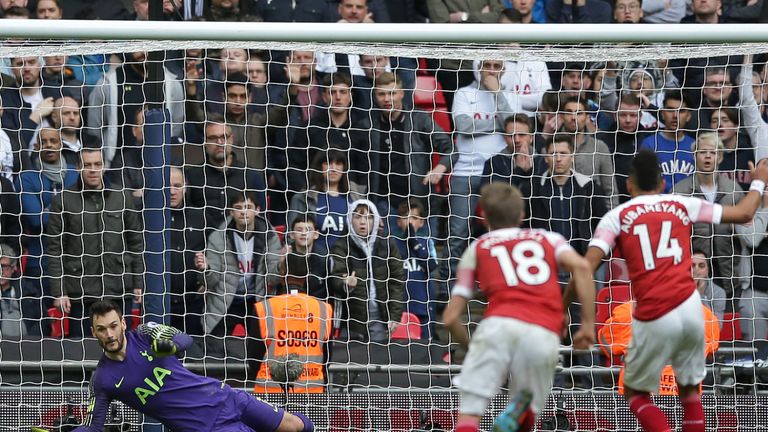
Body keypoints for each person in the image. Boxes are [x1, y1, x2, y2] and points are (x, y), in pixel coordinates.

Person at [571, 150, 768, 432]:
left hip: (653, 311)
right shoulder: (680, 203)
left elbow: (583, 269)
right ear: (663, 183)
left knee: (634, 393)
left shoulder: (617, 216)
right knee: (690, 394)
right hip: (690, 308)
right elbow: (745, 212)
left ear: (628, 184)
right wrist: (758, 182)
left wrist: (568, 310)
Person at [443, 183, 596, 432]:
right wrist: (587, 324)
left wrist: (471, 350)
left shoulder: (478, 248)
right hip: (542, 332)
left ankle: (512, 413)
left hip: (497, 327)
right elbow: (581, 268)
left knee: (468, 419)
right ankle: (518, 413)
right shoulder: (549, 239)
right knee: (527, 415)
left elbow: (450, 318)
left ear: (483, 217)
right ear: (522, 215)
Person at [68, 300, 313, 432]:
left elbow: (185, 340)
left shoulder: (144, 332)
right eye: (101, 329)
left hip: (226, 397)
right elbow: (93, 426)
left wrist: (170, 347)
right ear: (93, 332)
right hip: (203, 427)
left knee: (297, 426)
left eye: (113, 326)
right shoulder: (102, 379)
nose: (109, 334)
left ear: (122, 323)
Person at [46, 146, 144, 338]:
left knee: (120, 352)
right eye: (87, 165)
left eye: (97, 164)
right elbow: (55, 249)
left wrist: (138, 282)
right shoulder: (63, 200)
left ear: (104, 166)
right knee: (80, 354)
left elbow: (136, 243)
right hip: (80, 293)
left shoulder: (122, 197)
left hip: (118, 289)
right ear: (77, 168)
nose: (93, 169)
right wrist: (59, 291)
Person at [598, 297, 720, 395]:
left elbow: (607, 345)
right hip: (684, 398)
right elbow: (711, 352)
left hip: (638, 397)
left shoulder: (627, 313)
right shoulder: (705, 316)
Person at [328, 199, 405, 342]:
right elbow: (335, 277)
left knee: (378, 359)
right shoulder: (341, 246)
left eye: (368, 217)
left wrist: (394, 316)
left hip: (380, 318)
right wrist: (345, 283)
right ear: (350, 220)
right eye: (358, 217)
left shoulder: (387, 244)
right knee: (351, 362)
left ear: (375, 220)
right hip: (351, 321)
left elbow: (397, 281)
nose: (363, 222)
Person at [246, 285, 333, 393]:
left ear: (282, 274)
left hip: (269, 394)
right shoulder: (323, 308)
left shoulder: (264, 308)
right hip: (311, 393)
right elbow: (327, 356)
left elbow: (253, 355)